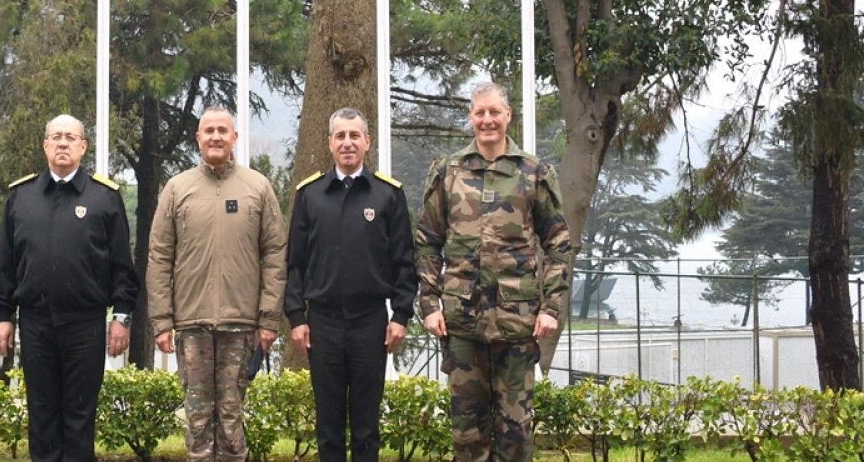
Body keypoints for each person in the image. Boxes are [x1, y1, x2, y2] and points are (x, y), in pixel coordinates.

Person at [414, 82, 575, 462]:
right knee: (467, 435)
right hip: (462, 324)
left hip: (517, 324)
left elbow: (558, 244)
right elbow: (425, 242)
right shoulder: (449, 172)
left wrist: (551, 308)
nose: (487, 120)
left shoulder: (533, 173)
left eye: (494, 112)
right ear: (471, 118)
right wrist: (430, 305)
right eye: (479, 113)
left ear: (508, 116)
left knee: (516, 433)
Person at [0, 114, 139, 462]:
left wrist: (122, 316)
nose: (62, 143)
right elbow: (4, 264)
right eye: (55, 136)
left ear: (83, 147)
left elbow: (122, 267)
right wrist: (1, 314)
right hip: (36, 323)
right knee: (41, 414)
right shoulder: (21, 197)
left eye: (71, 137)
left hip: (85, 324)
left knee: (79, 417)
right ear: (44, 145)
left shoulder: (104, 197)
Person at [148, 106, 288, 462]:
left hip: (241, 326)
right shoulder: (178, 189)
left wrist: (268, 319)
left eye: (222, 130)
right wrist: (162, 321)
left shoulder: (258, 187)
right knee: (197, 418)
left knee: (230, 416)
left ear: (234, 137)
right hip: (191, 324)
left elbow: (275, 254)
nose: (215, 136)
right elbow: (160, 256)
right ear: (198, 138)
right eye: (208, 130)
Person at [286, 107, 417, 462]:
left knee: (366, 428)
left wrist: (401, 315)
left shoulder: (388, 196)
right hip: (323, 324)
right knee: (327, 429)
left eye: (354, 136)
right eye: (340, 136)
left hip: (369, 323)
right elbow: (294, 265)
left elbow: (405, 263)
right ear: (330, 143)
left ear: (367, 142)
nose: (347, 143)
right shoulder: (310, 195)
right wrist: (297, 317)